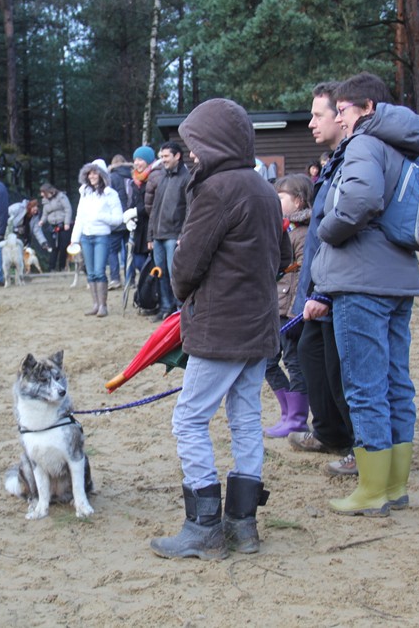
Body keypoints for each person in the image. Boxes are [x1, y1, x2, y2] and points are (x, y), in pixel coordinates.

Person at [149, 98, 284, 561]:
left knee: (188, 419)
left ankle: (203, 527)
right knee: (245, 420)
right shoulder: (264, 189)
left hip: (221, 328)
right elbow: (283, 256)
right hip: (258, 328)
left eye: (195, 145)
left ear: (215, 143)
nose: (190, 155)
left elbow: (184, 268)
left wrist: (191, 290)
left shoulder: (217, 190)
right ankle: (243, 528)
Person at [311, 72, 419, 517]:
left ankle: (372, 490)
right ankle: (394, 485)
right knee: (396, 383)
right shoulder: (401, 148)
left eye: (342, 110)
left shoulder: (362, 144)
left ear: (366, 110)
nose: (338, 118)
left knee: (364, 386)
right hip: (397, 278)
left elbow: (359, 201)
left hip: (361, 281)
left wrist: (326, 229)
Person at [287, 82, 358, 476]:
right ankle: (328, 431)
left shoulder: (354, 160)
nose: (312, 122)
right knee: (311, 356)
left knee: (340, 371)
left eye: (319, 114)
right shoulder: (334, 159)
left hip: (336, 286)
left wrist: (326, 292)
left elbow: (344, 227)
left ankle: (356, 445)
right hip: (319, 283)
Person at [264, 173, 313, 439]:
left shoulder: (304, 234)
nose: (275, 200)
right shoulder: (283, 229)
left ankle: (297, 418)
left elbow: (303, 274)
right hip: (276, 308)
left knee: (294, 363)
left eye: (280, 197)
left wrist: (296, 310)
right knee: (269, 363)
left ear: (297, 201)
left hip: (291, 313)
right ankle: (286, 413)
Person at [144, 141, 190, 322]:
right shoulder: (161, 177)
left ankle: (180, 310)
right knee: (160, 273)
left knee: (174, 275)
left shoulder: (187, 178)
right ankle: (165, 307)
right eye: (161, 156)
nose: (162, 160)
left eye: (165, 156)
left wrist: (182, 234)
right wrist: (150, 235)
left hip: (174, 235)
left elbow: (190, 209)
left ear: (177, 156)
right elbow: (154, 208)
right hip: (158, 236)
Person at [71, 160, 123, 317]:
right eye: (90, 173)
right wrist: (74, 239)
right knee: (91, 272)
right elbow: (79, 217)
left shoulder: (110, 194)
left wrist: (100, 217)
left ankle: (103, 306)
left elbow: (118, 218)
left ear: (102, 174)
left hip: (101, 236)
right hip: (86, 237)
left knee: (100, 271)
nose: (92, 176)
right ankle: (95, 304)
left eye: (95, 172)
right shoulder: (84, 193)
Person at [123, 155, 152, 287]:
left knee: (151, 265)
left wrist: (136, 212)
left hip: (151, 228)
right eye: (135, 160)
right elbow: (131, 202)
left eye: (141, 159)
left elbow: (152, 204)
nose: (137, 163)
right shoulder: (133, 182)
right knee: (139, 262)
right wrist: (128, 216)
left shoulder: (154, 178)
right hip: (138, 229)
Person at [106, 154, 132, 289]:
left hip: (115, 221)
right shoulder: (132, 175)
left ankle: (115, 279)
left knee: (113, 251)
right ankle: (131, 279)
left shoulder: (111, 178)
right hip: (131, 219)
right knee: (129, 251)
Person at [39, 182, 72, 271]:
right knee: (53, 248)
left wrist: (67, 223)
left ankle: (62, 267)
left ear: (48, 191)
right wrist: (42, 221)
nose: (41, 194)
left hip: (63, 225)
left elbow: (68, 209)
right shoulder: (45, 201)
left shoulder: (61, 197)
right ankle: (51, 268)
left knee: (63, 247)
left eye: (43, 192)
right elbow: (45, 214)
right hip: (53, 226)